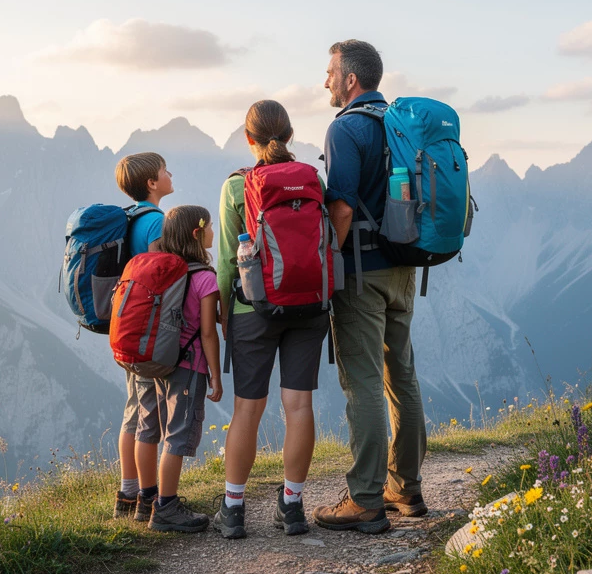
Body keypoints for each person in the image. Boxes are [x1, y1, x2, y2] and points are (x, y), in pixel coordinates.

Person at [312, 39, 427, 533]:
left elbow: (339, 207)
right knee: (401, 377)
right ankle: (406, 489)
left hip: (363, 271)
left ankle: (364, 498)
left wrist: (326, 267)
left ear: (351, 80)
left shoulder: (347, 128)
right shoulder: (401, 123)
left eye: (331, 72)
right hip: (406, 269)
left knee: (362, 384)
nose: (326, 82)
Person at [212, 100, 330, 539]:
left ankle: (234, 510)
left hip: (252, 309)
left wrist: (225, 315)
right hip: (309, 305)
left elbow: (227, 262)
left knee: (248, 408)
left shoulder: (235, 188)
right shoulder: (312, 180)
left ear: (249, 140)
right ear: (291, 134)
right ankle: (293, 507)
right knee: (299, 405)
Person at [144, 205, 223, 532]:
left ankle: (156, 501)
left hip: (161, 362)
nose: (213, 233)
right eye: (209, 227)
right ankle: (166, 507)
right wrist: (215, 375)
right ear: (196, 233)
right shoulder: (204, 278)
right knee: (177, 436)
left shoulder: (165, 270)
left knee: (164, 431)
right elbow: (208, 332)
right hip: (189, 366)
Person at [113, 152, 174, 520]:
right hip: (149, 330)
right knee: (150, 414)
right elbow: (161, 276)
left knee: (134, 410)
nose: (170, 175)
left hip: (126, 325)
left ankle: (127, 491)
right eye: (165, 171)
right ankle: (149, 499)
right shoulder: (156, 223)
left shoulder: (129, 218)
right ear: (152, 183)